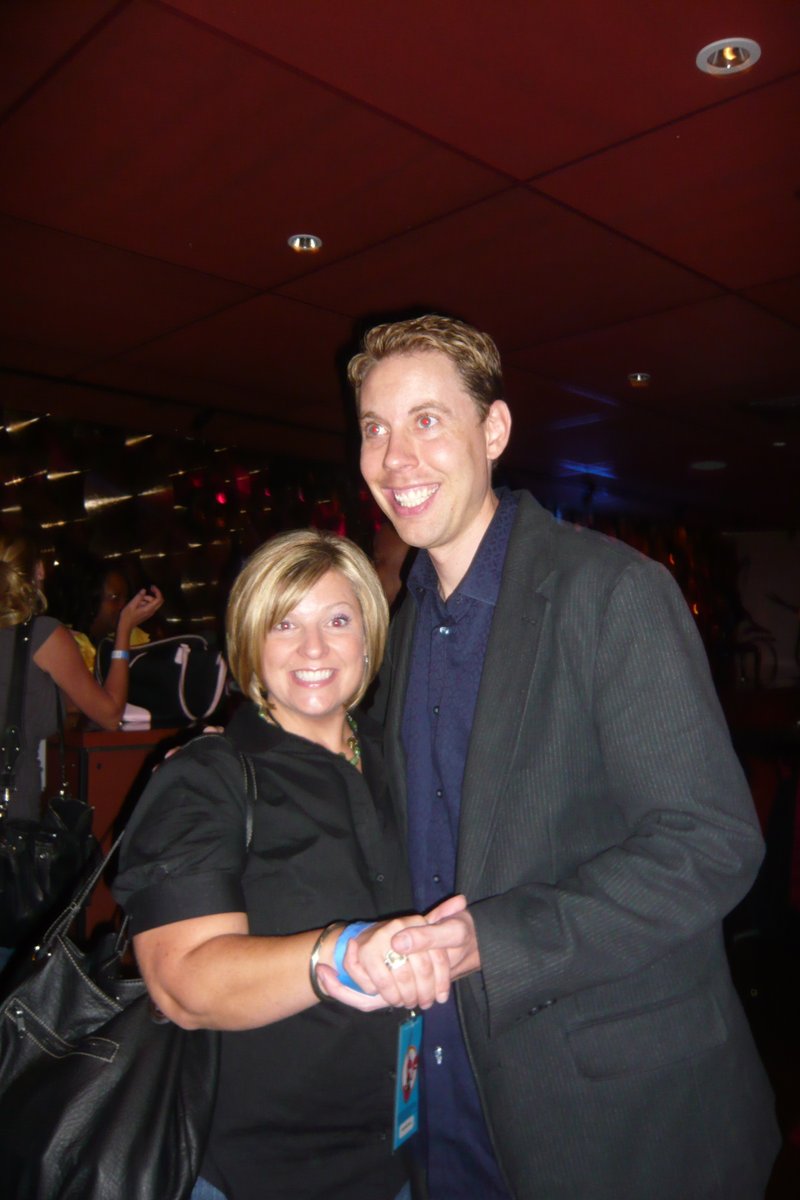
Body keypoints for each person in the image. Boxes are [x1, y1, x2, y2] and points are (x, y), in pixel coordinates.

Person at [343, 315, 781, 1199]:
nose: (396, 458)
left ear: (494, 431)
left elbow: (711, 844)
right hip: (448, 1091)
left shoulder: (611, 593)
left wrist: (494, 941)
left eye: (428, 419)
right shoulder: (402, 623)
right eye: (375, 428)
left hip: (610, 1114)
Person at [112, 529, 456, 1200]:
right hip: (254, 1171)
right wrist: (336, 954)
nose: (314, 649)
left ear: (368, 635)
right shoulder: (209, 779)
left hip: (404, 1158)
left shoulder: (402, 761)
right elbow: (182, 983)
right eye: (283, 624)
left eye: (336, 619)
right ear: (249, 645)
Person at [0, 532, 163, 965]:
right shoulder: (42, 636)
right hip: (11, 829)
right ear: (36, 575)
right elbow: (109, 713)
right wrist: (124, 631)